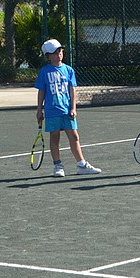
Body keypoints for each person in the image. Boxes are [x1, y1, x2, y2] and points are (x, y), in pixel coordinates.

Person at [35, 39, 102, 177]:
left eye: (60, 51)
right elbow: (41, 91)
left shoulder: (68, 70)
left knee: (74, 136)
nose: (59, 54)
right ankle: (57, 166)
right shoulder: (44, 72)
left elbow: (72, 91)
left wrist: (73, 108)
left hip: (67, 110)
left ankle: (81, 165)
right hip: (52, 111)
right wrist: (39, 110)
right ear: (48, 56)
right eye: (55, 53)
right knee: (55, 138)